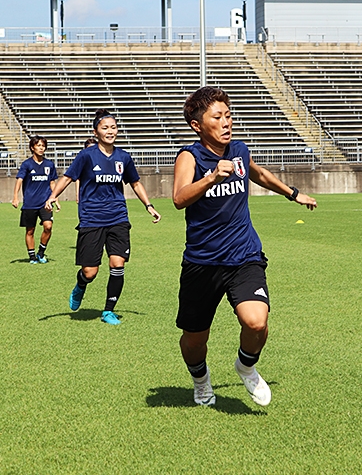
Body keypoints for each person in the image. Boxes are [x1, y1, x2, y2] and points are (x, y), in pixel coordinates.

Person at [173, 87, 317, 407]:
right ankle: (201, 380)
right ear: (198, 125)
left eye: (228, 115)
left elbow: (260, 175)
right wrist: (210, 177)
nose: (227, 122)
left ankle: (246, 366)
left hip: (243, 255)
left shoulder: (238, 150)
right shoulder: (190, 157)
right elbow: (179, 198)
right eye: (217, 117)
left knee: (256, 321)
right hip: (202, 262)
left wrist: (294, 194)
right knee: (195, 340)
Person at [45, 109, 161, 325]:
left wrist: (149, 205)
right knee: (90, 272)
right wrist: (52, 196)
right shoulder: (86, 156)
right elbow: (68, 178)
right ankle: (80, 285)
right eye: (105, 127)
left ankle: (109, 310)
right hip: (91, 219)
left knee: (117, 264)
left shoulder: (123, 157)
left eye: (114, 127)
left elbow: (135, 182)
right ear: (96, 131)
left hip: (118, 217)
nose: (110, 131)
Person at [11, 135, 59, 264]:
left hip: (45, 203)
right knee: (30, 230)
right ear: (32, 147)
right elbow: (19, 180)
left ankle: (41, 252)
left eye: (43, 146)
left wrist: (55, 198)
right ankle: (32, 256)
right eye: (38, 145)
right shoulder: (27, 164)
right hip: (30, 204)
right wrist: (15, 197)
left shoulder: (49, 164)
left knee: (48, 226)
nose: (41, 148)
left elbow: (52, 183)